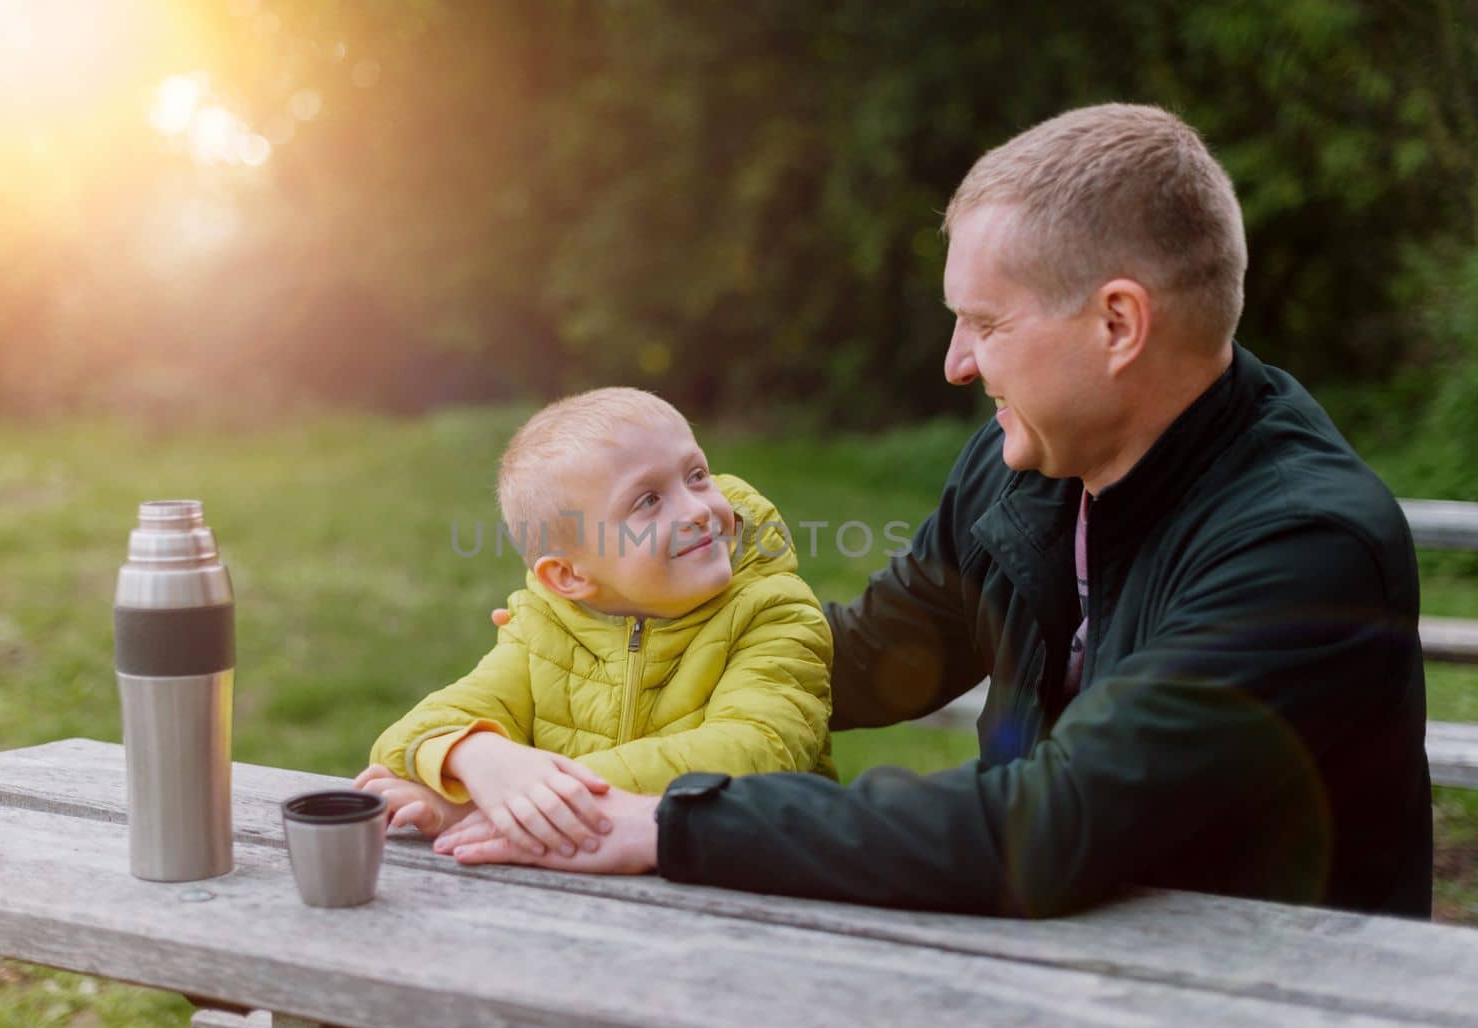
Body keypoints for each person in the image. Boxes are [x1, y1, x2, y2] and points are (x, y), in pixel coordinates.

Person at [434, 103, 1434, 919]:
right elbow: (866, 658)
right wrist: (616, 654)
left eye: (985, 324)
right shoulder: (1023, 466)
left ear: (1118, 324)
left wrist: (667, 825)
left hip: (1259, 1009)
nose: (956, 362)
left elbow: (1057, 822)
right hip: (1058, 962)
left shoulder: (1301, 546)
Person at [354, 387, 836, 860]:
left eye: (695, 475)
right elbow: (408, 737)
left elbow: (755, 752)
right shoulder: (544, 627)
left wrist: (522, 801)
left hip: (760, 882)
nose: (696, 510)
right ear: (568, 576)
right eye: (647, 501)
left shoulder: (776, 613)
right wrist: (481, 762)